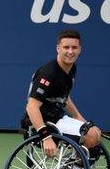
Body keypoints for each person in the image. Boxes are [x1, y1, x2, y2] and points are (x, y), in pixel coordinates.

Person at [22, 29, 102, 157]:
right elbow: (31, 107)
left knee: (96, 132)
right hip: (43, 125)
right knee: (91, 136)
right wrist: (46, 137)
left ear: (80, 50)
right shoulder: (48, 74)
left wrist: (78, 117)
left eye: (74, 47)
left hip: (57, 119)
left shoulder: (71, 68)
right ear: (58, 48)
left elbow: (63, 97)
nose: (70, 52)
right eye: (66, 47)